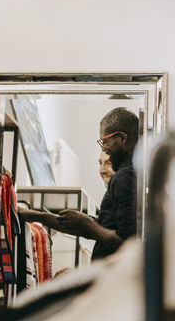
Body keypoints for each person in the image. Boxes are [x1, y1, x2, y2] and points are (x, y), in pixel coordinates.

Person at [20, 107, 140, 260]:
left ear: (122, 138)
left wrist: (88, 224)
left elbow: (126, 243)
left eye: (105, 141)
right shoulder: (133, 175)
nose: (103, 148)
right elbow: (98, 230)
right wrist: (32, 215)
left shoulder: (124, 177)